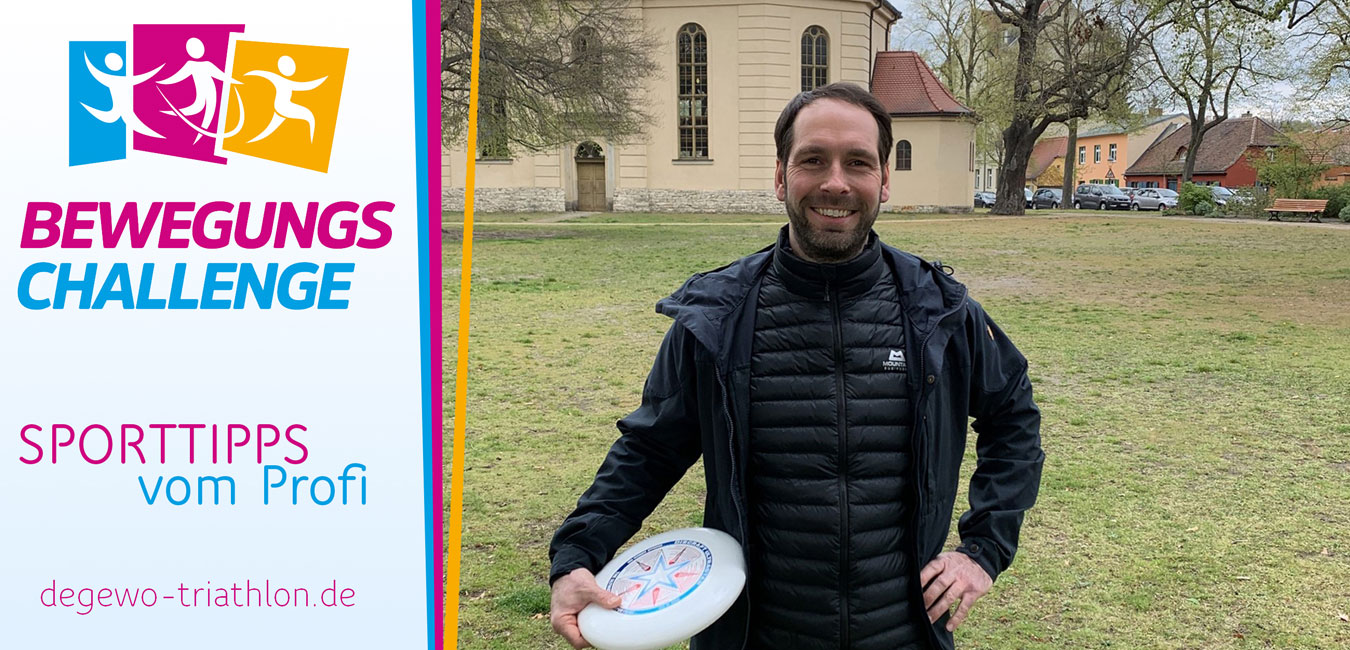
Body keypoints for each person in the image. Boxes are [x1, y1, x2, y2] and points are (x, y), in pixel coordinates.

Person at [548, 82, 1044, 650]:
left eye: (857, 162)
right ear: (782, 175)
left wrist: (983, 550)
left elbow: (1014, 419)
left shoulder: (942, 312)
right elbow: (649, 450)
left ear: (884, 179)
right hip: (756, 635)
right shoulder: (715, 318)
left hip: (902, 634)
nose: (836, 182)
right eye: (813, 160)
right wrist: (576, 555)